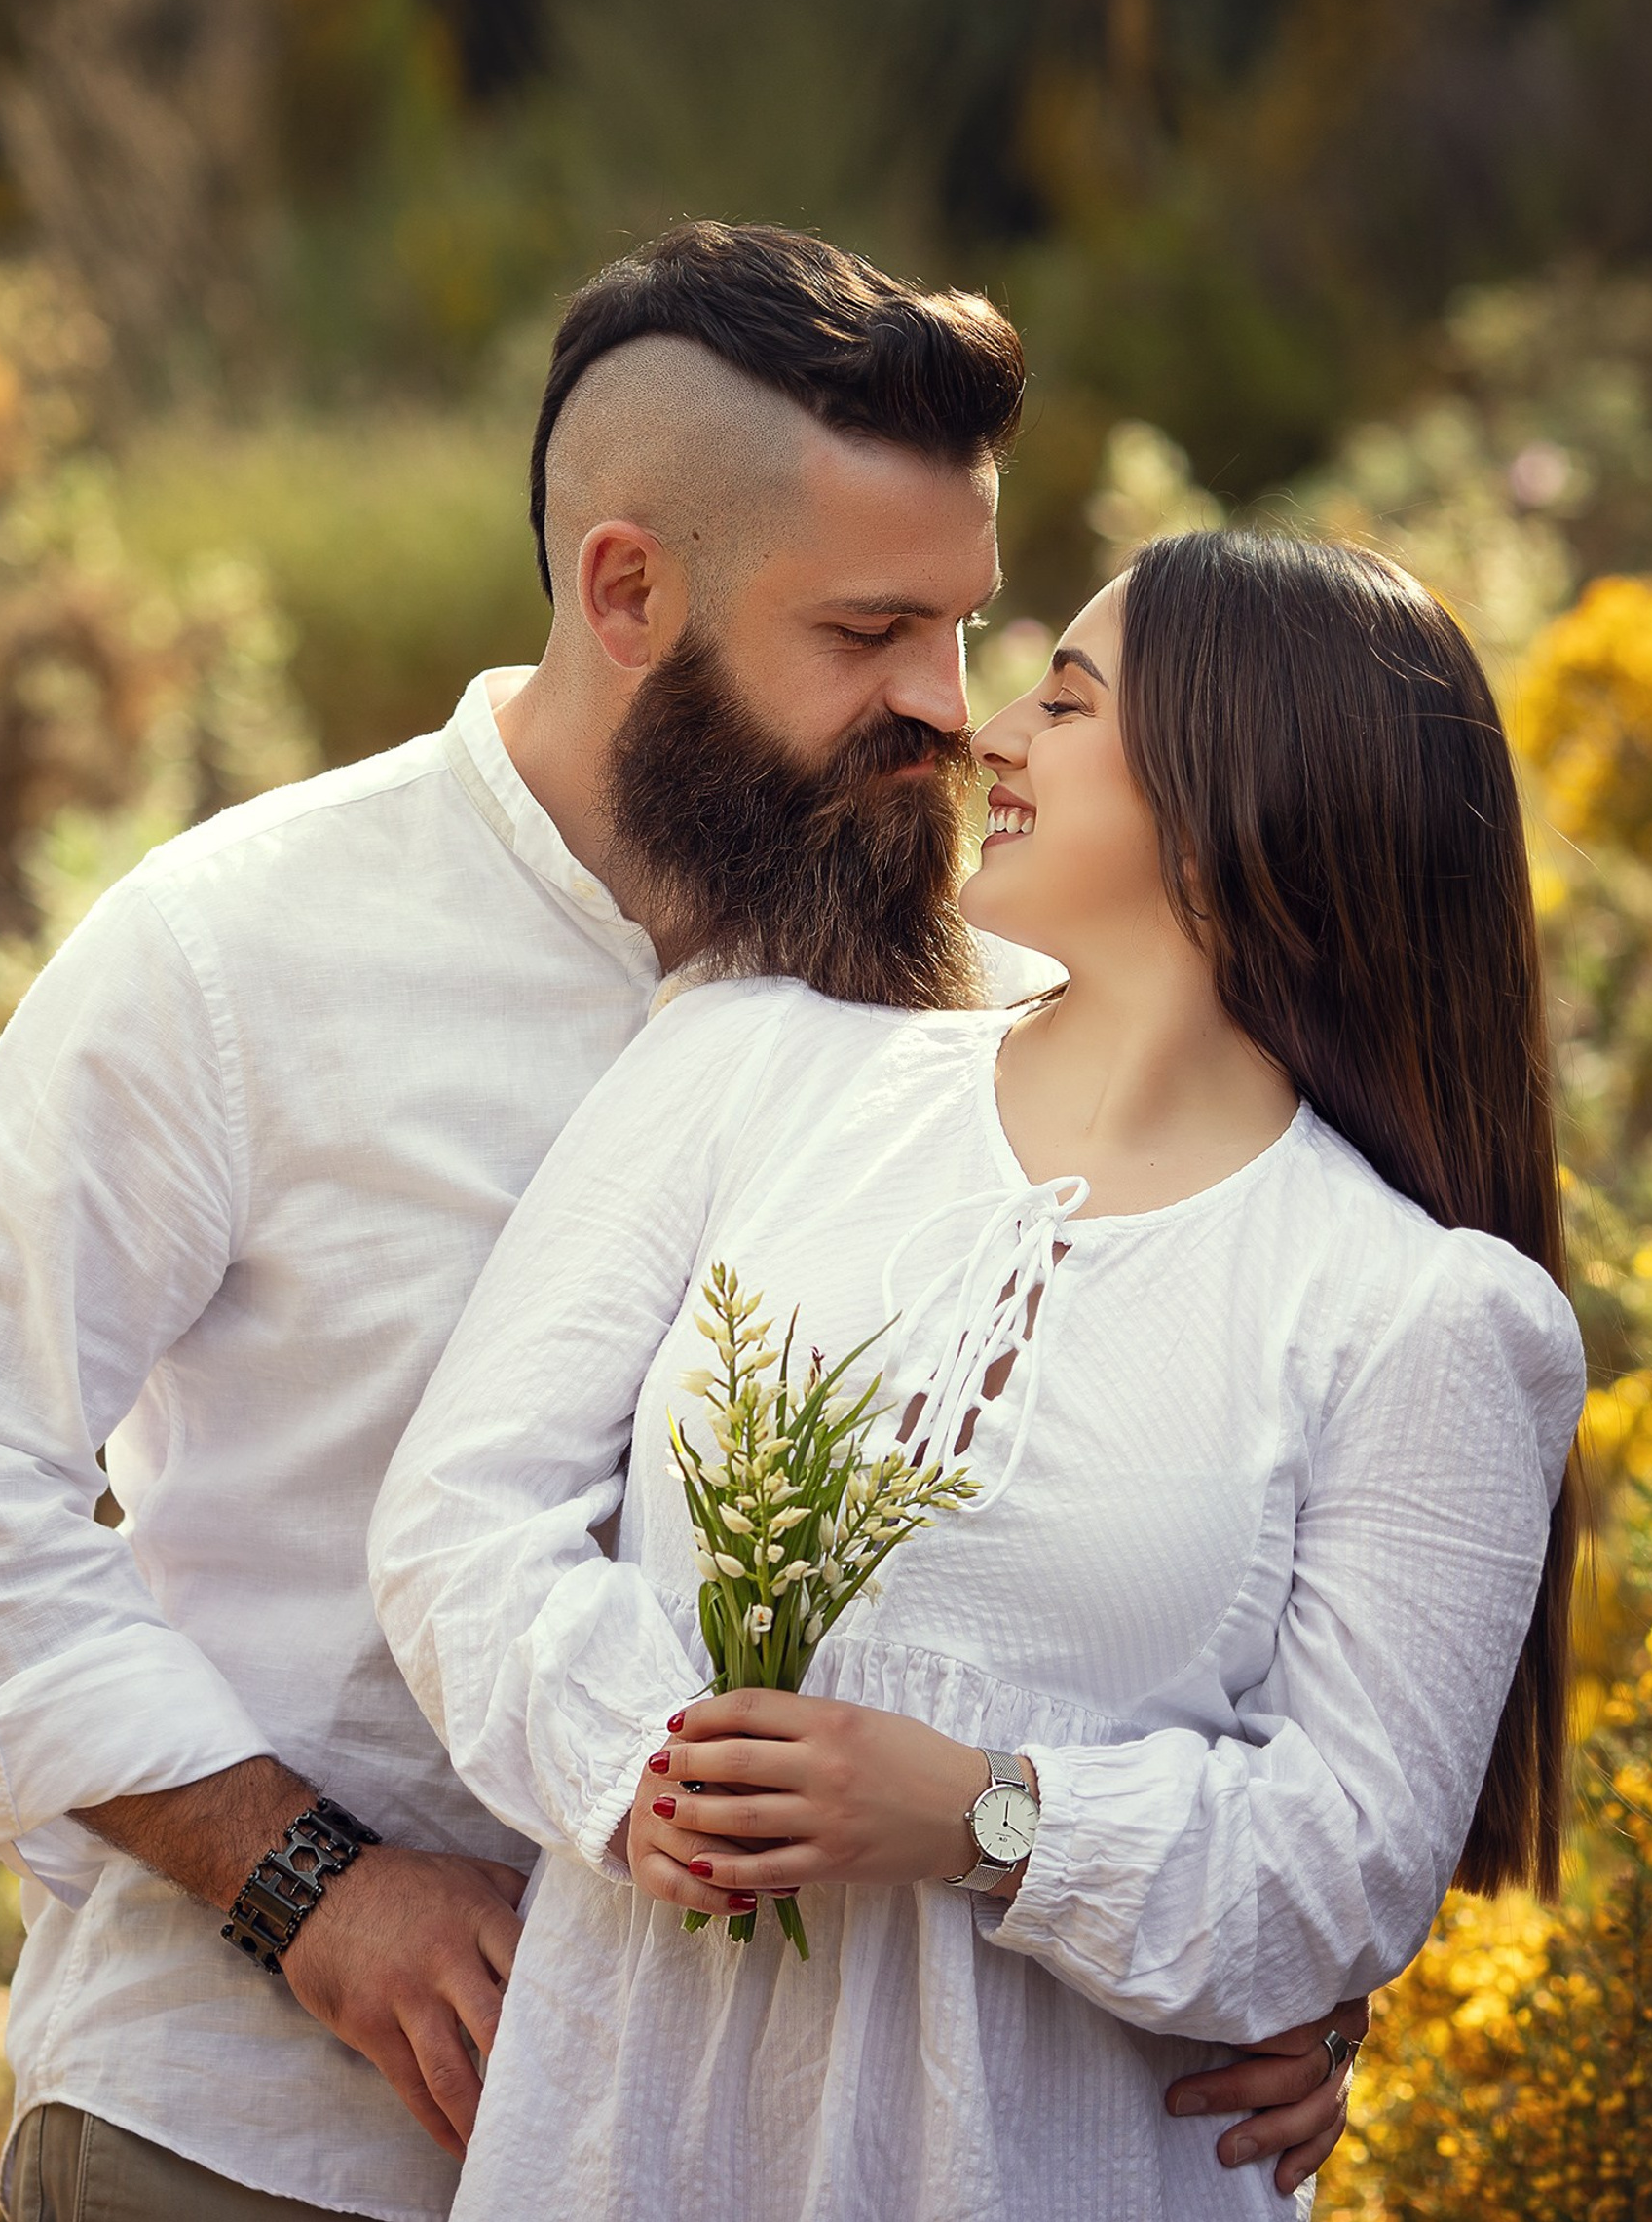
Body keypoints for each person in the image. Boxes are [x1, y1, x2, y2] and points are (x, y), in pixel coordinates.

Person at [0, 226, 1363, 2222]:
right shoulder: (238, 949)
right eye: (866, 631)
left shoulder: (996, 1007)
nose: (949, 711)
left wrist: (1263, 1947)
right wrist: (307, 1883)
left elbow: (1164, 1538)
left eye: (970, 630)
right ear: (625, 586)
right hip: (252, 2128)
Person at [370, 525, 1589, 2220]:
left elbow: (1345, 1867)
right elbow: (461, 1520)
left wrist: (981, 1818)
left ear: (1246, 786)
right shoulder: (749, 1066)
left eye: (1066, 703)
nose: (987, 734)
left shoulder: (1423, 1313)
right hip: (631, 2146)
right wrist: (655, 1774)